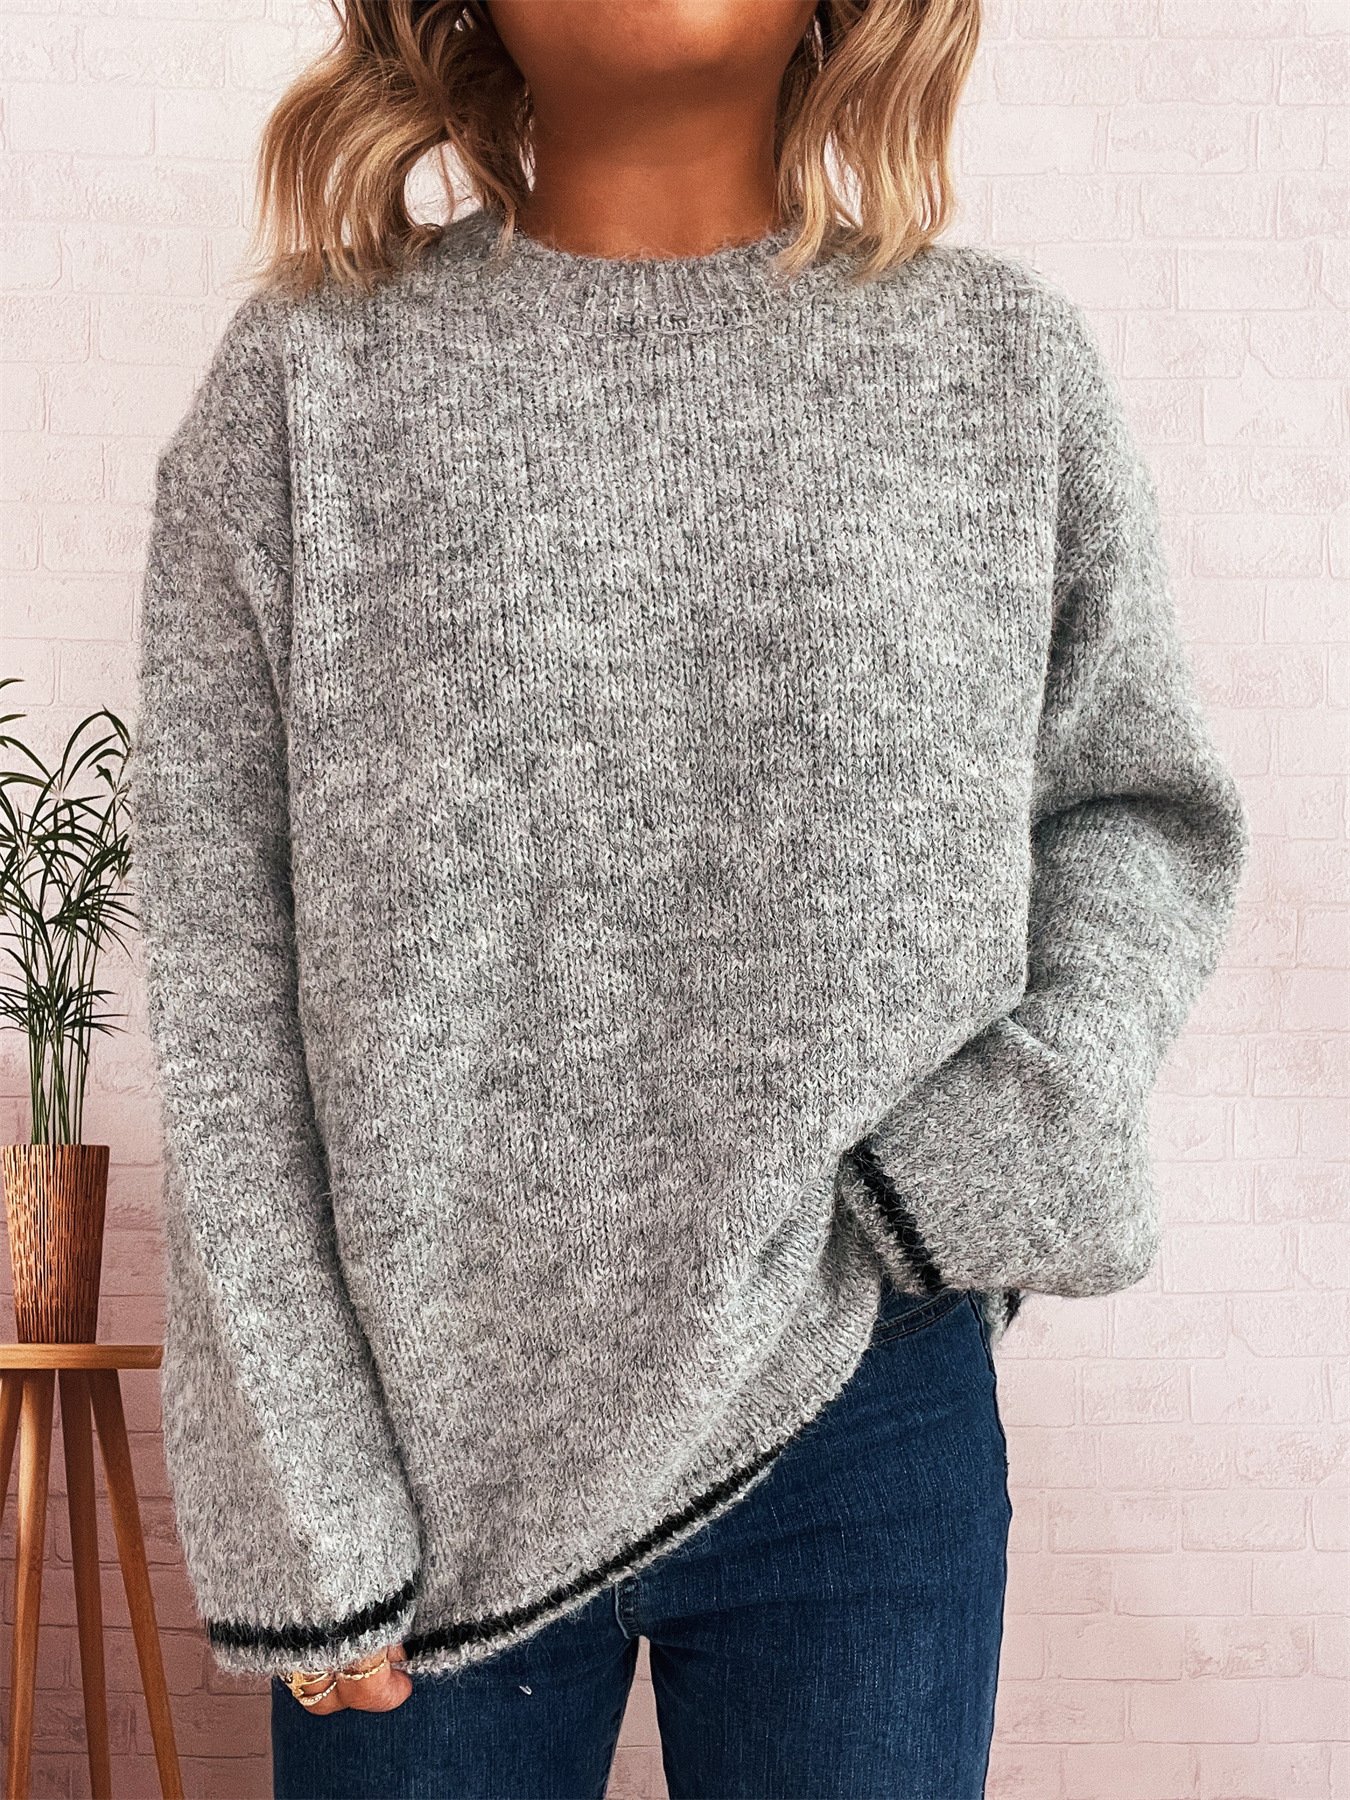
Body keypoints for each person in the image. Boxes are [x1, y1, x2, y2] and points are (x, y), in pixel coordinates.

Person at [127, 1, 1250, 1796]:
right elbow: (221, 981)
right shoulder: (304, 388)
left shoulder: (997, 366)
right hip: (421, 1453)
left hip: (857, 1385)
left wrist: (996, 1142)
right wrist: (298, 1489)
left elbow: (1136, 811)